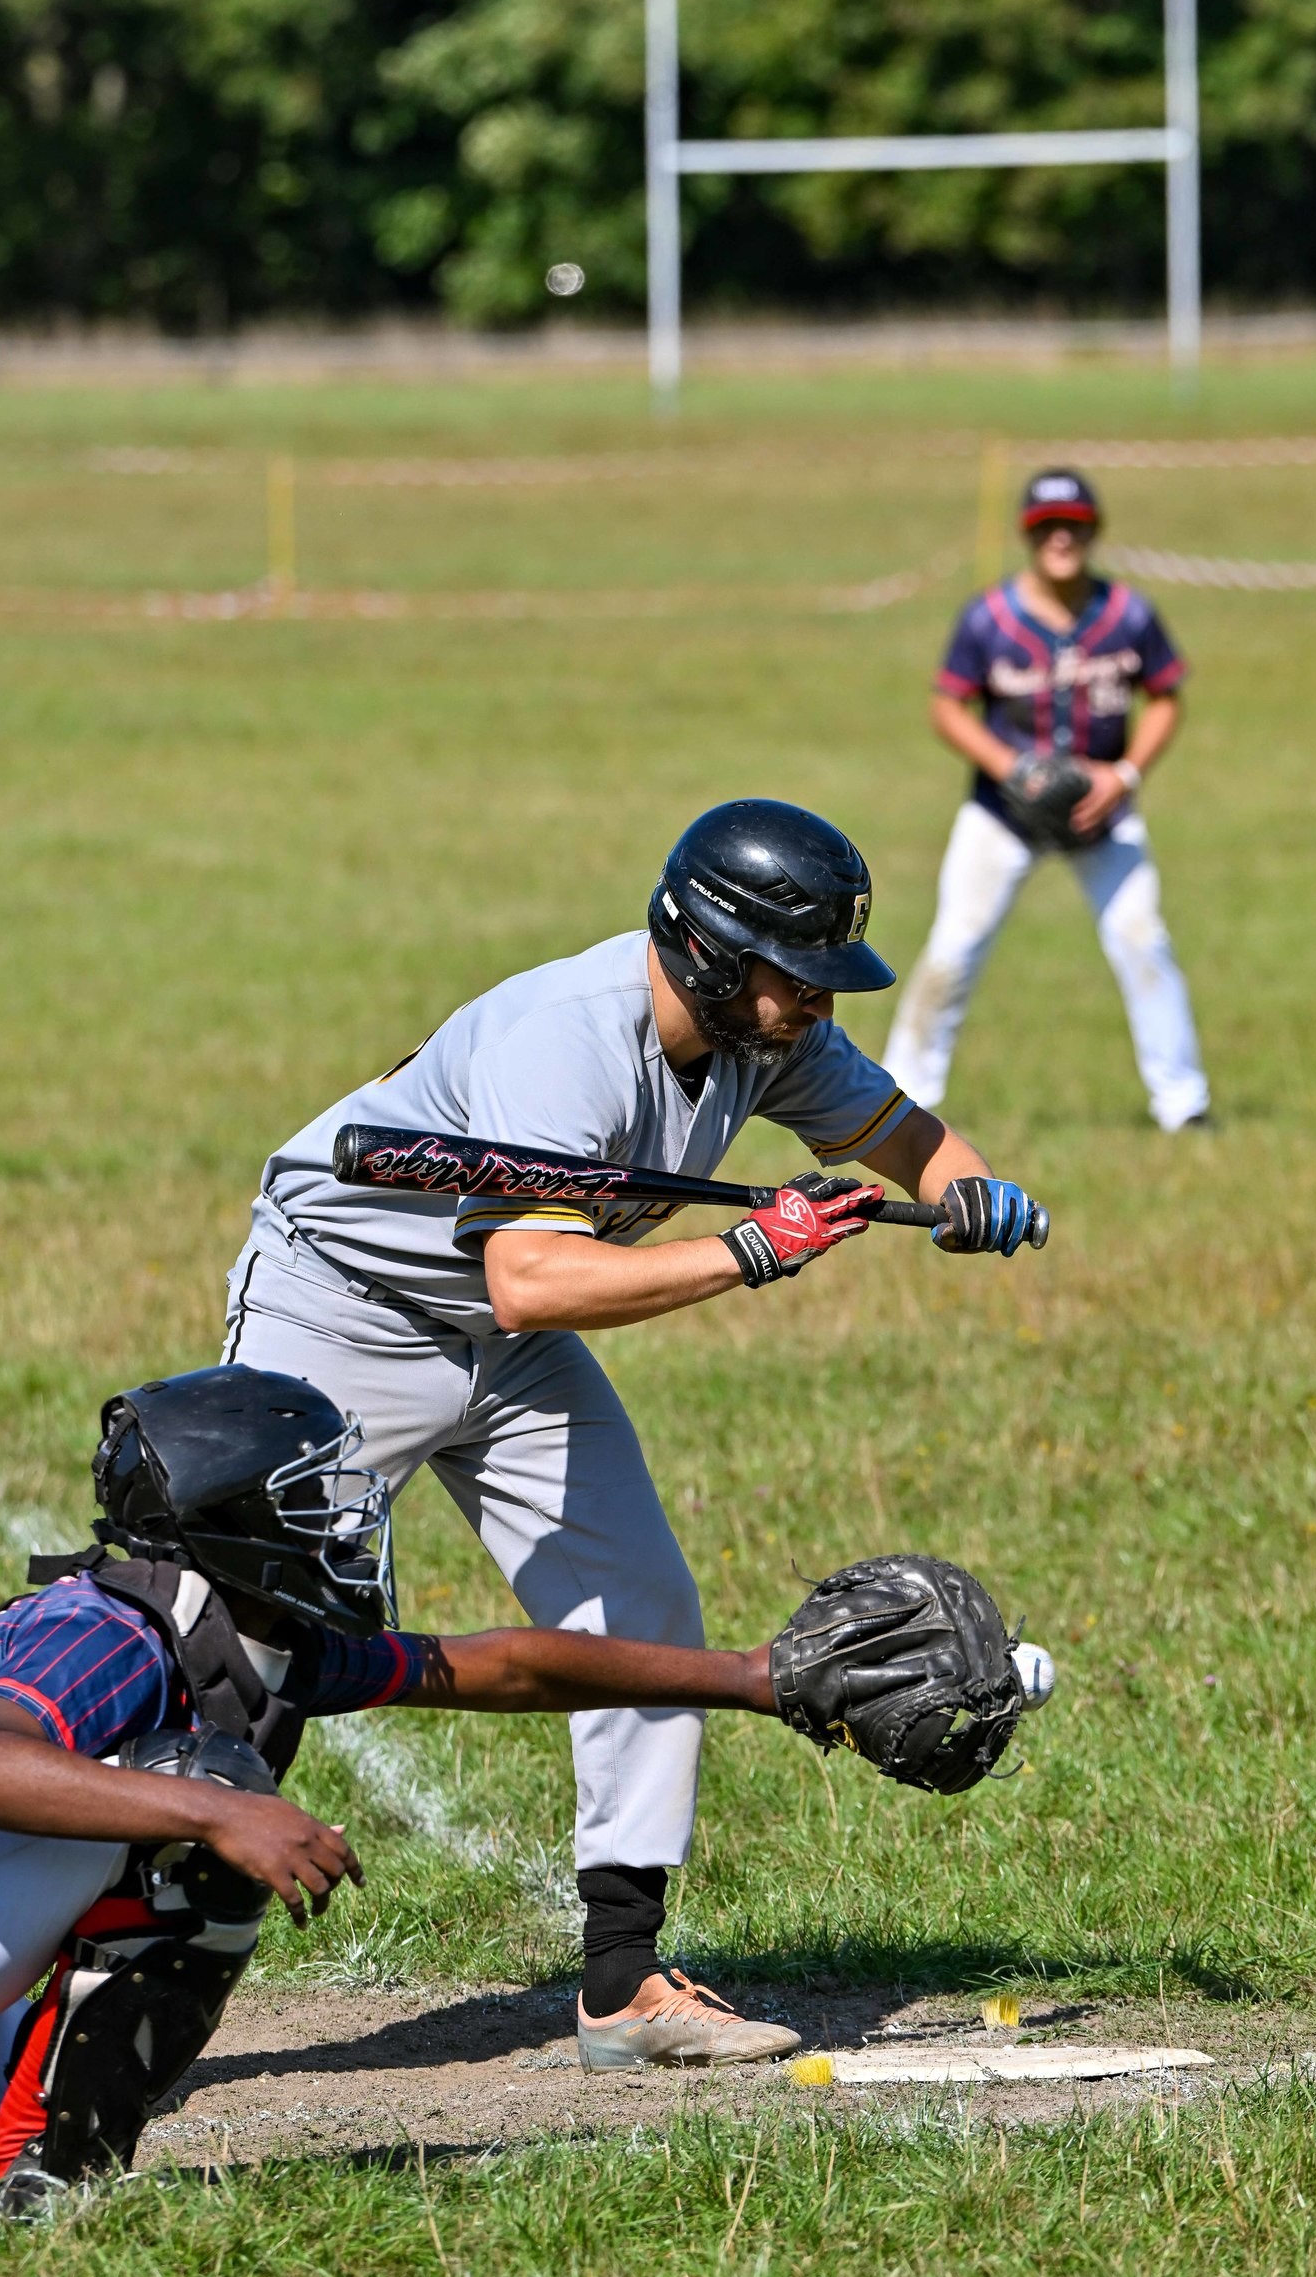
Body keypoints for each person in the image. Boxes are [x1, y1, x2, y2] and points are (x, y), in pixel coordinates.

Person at [220, 798, 1044, 2069]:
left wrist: (965, 1192)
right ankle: (107, 1932)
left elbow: (903, 1137)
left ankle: (624, 1986)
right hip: (337, 1318)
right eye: (798, 975)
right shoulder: (568, 1040)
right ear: (711, 954)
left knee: (640, 1609)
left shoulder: (764, 1039)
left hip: (508, 1340)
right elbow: (530, 1278)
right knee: (243, 1639)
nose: (818, 1003)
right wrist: (747, 1251)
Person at [0, 1365, 801, 2213]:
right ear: (231, 1514)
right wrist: (222, 1809)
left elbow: (497, 1666)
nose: (345, 1522)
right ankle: (48, 2179)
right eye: (312, 1498)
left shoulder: (247, 1631)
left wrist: (754, 1678)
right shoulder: (111, 1626)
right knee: (200, 1783)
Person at [882, 468, 1210, 1134]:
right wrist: (1011, 767)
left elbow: (1166, 698)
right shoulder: (990, 618)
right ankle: (897, 1105)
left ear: (1094, 529)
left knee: (1144, 942)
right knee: (954, 947)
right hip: (1003, 816)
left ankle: (1185, 1106)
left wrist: (1124, 775)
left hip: (1102, 814)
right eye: (1046, 526)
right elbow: (948, 706)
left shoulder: (1128, 615)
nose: (1062, 536)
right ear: (1028, 535)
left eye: (1075, 524)